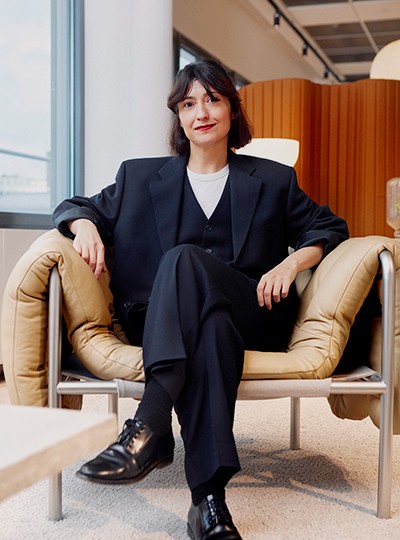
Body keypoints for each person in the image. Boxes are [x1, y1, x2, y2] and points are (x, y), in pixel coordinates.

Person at [53, 60, 349, 540]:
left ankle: (149, 426)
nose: (201, 112)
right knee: (206, 325)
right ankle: (208, 502)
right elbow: (76, 206)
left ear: (232, 109)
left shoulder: (272, 180)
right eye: (189, 103)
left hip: (252, 311)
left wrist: (292, 264)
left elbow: (329, 227)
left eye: (212, 99)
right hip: (168, 321)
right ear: (179, 117)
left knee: (183, 260)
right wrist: (84, 225)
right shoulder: (138, 177)